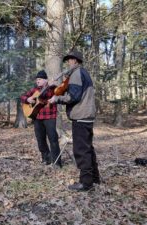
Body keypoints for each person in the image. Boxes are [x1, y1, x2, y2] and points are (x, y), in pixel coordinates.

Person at [49, 50, 100, 191]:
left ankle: (86, 183)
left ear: (75, 61)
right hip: (87, 116)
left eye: (69, 60)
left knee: (81, 150)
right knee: (88, 148)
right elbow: (74, 92)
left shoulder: (77, 74)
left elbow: (73, 97)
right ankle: (94, 178)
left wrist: (57, 99)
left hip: (81, 116)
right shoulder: (83, 73)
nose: (68, 63)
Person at [21, 70, 62, 167]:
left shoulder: (52, 88)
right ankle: (46, 158)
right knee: (40, 139)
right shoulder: (34, 90)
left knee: (53, 139)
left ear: (45, 80)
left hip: (49, 116)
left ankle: (57, 162)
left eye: (39, 79)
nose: (37, 81)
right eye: (37, 79)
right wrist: (28, 99)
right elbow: (22, 96)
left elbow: (48, 95)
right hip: (37, 117)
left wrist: (48, 87)